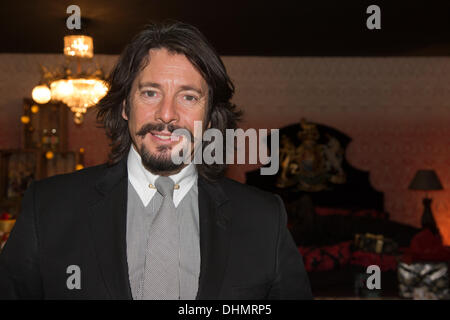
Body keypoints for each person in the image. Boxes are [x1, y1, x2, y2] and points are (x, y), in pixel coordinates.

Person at [0, 22, 312, 300]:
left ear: (210, 115)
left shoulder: (263, 219)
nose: (166, 114)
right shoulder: (48, 208)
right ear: (125, 106)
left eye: (188, 97)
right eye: (150, 93)